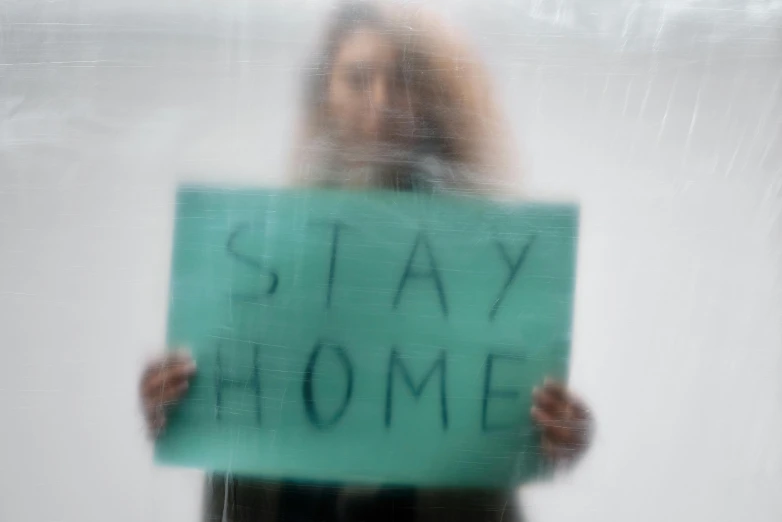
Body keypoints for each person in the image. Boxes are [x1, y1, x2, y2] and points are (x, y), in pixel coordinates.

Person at [141, 2, 592, 521]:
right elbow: (227, 399)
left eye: (402, 80)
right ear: (325, 93)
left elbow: (515, 411)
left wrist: (560, 430)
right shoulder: (265, 248)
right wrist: (176, 398)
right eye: (359, 78)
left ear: (433, 97)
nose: (380, 102)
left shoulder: (483, 260)